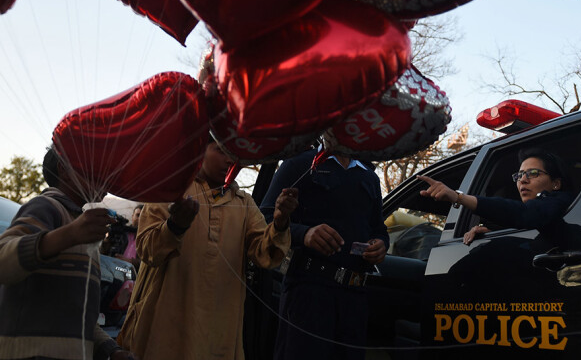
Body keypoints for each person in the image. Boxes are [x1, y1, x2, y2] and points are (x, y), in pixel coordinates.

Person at [116, 138, 297, 360]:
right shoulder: (172, 189)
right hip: (164, 329)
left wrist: (280, 223)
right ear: (199, 150)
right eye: (221, 150)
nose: (230, 160)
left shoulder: (244, 203)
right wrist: (175, 226)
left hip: (218, 335)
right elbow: (146, 250)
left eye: (234, 153)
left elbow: (267, 256)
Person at [0, 145, 137, 360]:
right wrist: (68, 235)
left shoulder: (80, 226)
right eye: (95, 168)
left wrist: (110, 349)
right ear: (65, 169)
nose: (106, 179)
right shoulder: (46, 207)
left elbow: (78, 314)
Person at [260, 145, 389, 360]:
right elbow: (264, 218)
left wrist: (381, 244)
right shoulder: (299, 163)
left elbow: (378, 229)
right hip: (309, 293)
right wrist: (304, 234)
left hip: (354, 299)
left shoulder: (369, 175)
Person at [417, 148, 573, 244]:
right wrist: (492, 233)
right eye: (519, 175)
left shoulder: (561, 200)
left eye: (533, 173)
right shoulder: (542, 214)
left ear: (556, 184)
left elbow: (524, 214)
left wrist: (459, 198)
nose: (523, 180)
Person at [102, 205, 143, 269]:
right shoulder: (120, 232)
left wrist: (130, 261)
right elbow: (103, 252)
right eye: (138, 215)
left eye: (143, 216)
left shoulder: (147, 239)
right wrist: (108, 239)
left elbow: (148, 263)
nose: (140, 218)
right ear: (132, 217)